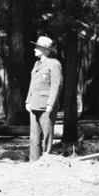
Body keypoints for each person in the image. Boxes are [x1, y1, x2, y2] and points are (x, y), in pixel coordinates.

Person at [25, 35, 62, 163]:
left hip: (46, 105)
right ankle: (34, 162)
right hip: (34, 103)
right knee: (34, 136)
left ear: (46, 50)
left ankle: (47, 161)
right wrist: (28, 100)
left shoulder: (55, 64)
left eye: (38, 47)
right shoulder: (37, 64)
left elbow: (56, 85)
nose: (35, 48)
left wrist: (51, 104)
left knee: (47, 134)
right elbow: (32, 83)